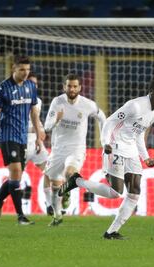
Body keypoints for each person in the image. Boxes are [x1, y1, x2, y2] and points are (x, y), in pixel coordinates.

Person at [59, 79, 154, 239]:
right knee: (116, 192)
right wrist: (106, 143)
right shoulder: (136, 106)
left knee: (134, 193)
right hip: (115, 146)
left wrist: (145, 157)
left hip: (131, 152)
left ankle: (111, 232)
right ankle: (77, 181)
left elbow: (138, 134)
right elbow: (110, 121)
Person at [0, 55, 45, 225]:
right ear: (14, 68)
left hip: (23, 137)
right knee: (16, 172)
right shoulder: (3, 88)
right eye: (22, 70)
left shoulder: (30, 87)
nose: (25, 73)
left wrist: (39, 139)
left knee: (16, 176)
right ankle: (20, 216)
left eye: (27, 70)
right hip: (7, 136)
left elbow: (34, 113)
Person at [44, 73, 106, 226]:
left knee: (69, 173)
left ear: (80, 87)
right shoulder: (57, 102)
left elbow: (102, 116)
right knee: (54, 186)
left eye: (75, 86)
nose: (72, 89)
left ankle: (67, 193)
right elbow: (46, 127)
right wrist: (56, 120)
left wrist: (103, 140)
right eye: (69, 86)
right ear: (64, 87)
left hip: (76, 148)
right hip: (58, 149)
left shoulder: (87, 104)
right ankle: (57, 216)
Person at [25, 72, 53, 215]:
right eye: (31, 83)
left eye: (35, 83)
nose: (34, 86)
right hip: (21, 141)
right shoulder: (18, 99)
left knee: (49, 170)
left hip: (36, 142)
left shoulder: (39, 101)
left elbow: (36, 120)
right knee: (15, 179)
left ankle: (49, 205)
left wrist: (40, 132)